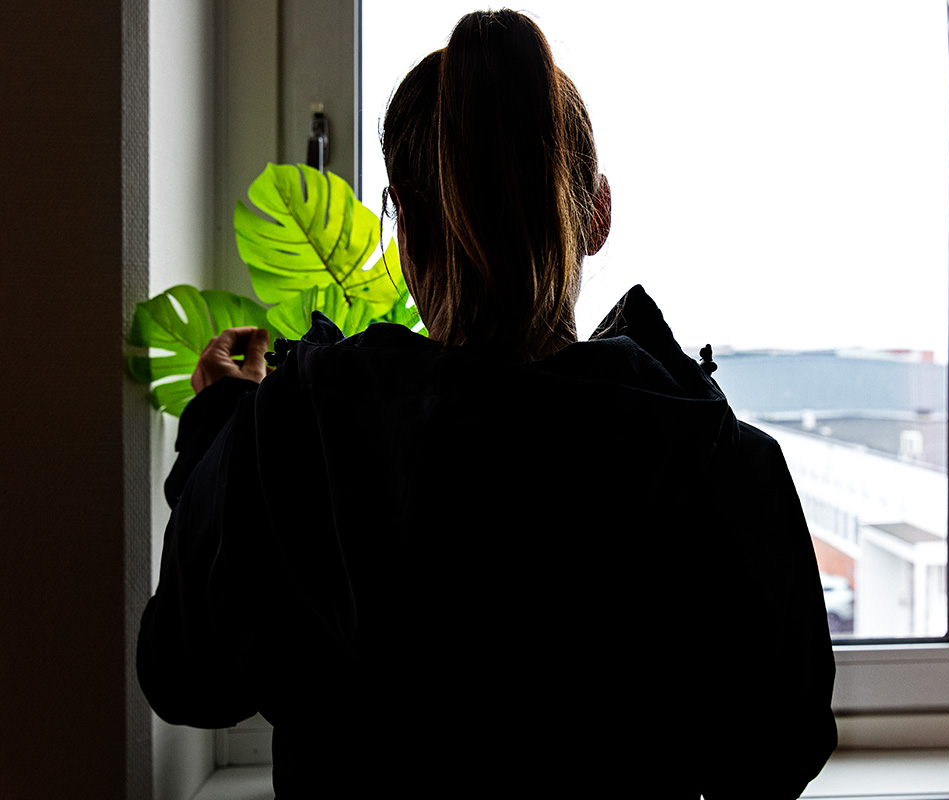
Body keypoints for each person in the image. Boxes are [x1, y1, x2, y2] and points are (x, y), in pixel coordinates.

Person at [138, 9, 836, 798]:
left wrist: (221, 429)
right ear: (596, 213)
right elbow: (782, 747)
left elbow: (188, 680)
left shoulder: (291, 432)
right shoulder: (709, 452)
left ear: (401, 227)